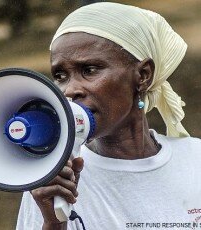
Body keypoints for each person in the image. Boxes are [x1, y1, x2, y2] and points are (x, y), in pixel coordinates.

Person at [16, 2, 201, 230]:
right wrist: (53, 223)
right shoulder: (53, 181)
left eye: (89, 70)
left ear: (143, 75)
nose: (70, 90)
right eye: (61, 75)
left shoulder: (195, 159)